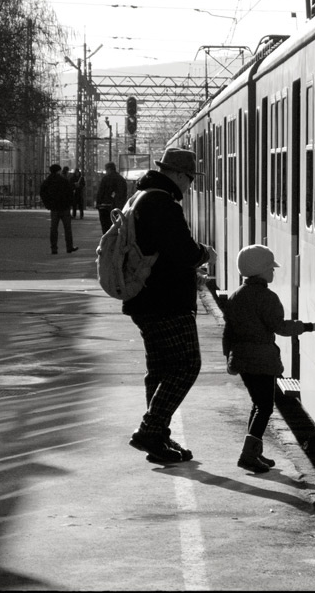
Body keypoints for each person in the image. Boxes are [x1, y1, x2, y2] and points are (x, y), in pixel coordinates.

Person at [123, 148, 215, 464]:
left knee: (160, 369)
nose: (190, 185)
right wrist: (205, 253)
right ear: (177, 174)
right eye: (189, 178)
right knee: (187, 364)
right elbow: (183, 251)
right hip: (165, 300)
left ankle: (159, 438)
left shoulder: (142, 197)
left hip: (145, 297)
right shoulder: (162, 203)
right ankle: (151, 430)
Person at [222, 244, 315, 473]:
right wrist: (308, 326)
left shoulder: (235, 296)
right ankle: (248, 456)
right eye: (271, 268)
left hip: (242, 360)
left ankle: (254, 451)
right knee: (265, 407)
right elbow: (279, 327)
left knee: (258, 405)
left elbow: (228, 332)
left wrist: (228, 357)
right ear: (261, 271)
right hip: (261, 360)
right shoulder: (267, 297)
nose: (273, 272)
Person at [39, 163, 78, 254]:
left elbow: (42, 192)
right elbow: (70, 192)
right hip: (64, 208)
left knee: (53, 229)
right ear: (58, 171)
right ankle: (69, 247)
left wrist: (47, 204)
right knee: (67, 228)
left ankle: (54, 248)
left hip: (54, 208)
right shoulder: (63, 180)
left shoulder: (47, 181)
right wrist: (70, 203)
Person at [95, 161, 129, 234]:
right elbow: (124, 195)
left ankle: (107, 244)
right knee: (116, 229)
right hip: (118, 208)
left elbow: (100, 193)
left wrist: (98, 204)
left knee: (106, 229)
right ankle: (116, 244)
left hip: (104, 208)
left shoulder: (105, 179)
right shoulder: (122, 179)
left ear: (109, 169)